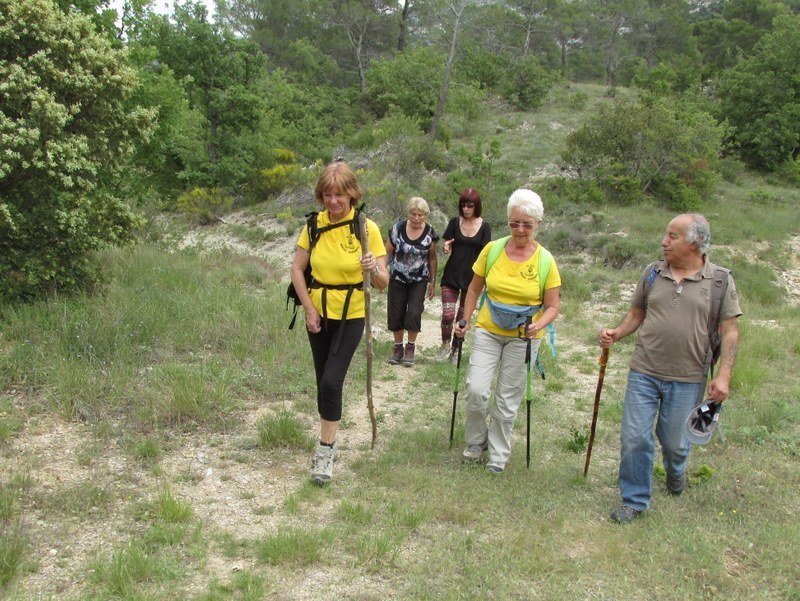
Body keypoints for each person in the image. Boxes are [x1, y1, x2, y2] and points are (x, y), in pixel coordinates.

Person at [599, 213, 742, 523]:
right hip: (644, 371)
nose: (664, 241)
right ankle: (634, 499)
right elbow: (636, 314)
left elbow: (729, 330)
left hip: (689, 377)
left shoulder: (719, 281)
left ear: (694, 243)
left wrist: (724, 375)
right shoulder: (652, 273)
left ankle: (676, 469)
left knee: (676, 443)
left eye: (672, 236)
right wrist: (616, 333)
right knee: (635, 437)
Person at [289, 161, 389, 485]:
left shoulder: (365, 227)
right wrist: (307, 308)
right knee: (322, 382)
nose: (334, 201)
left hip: (352, 313)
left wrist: (373, 267)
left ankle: (326, 449)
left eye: (340, 195)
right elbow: (296, 269)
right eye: (328, 195)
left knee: (332, 382)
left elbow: (383, 282)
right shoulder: (313, 226)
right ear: (321, 196)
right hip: (317, 312)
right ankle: (329, 437)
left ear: (352, 194)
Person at [454, 189, 561, 473]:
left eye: (527, 223)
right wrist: (465, 320)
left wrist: (539, 324)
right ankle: (476, 441)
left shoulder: (545, 261)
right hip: (489, 329)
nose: (520, 229)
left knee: (507, 398)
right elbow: (475, 287)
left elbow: (552, 306)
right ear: (508, 222)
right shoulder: (493, 250)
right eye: (515, 223)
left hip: (524, 336)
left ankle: (498, 453)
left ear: (537, 223)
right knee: (476, 389)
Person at [385, 197, 439, 367]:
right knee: (396, 312)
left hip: (419, 280)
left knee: (414, 312)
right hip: (397, 278)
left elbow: (432, 258)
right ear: (408, 213)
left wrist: (432, 281)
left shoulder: (430, 233)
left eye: (420, 215)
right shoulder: (397, 229)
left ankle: (410, 348)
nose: (416, 218)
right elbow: (387, 252)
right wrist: (380, 273)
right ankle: (398, 348)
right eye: (413, 214)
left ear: (426, 215)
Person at [439, 189, 492, 362]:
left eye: (470, 205)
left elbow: (487, 252)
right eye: (463, 205)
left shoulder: (485, 227)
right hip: (451, 275)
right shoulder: (455, 222)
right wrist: (446, 246)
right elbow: (447, 241)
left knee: (463, 317)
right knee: (447, 314)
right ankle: (445, 345)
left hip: (472, 279)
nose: (466, 209)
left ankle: (456, 349)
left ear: (477, 206)